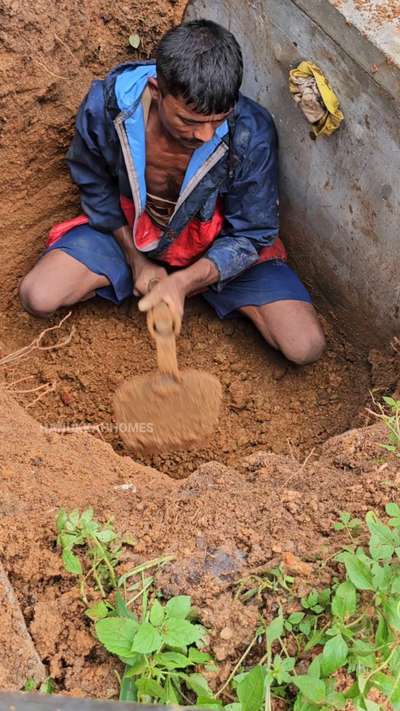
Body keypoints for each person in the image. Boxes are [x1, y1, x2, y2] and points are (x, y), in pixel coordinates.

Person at [20, 19, 325, 365]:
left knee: (305, 345)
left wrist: (183, 283)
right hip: (133, 235)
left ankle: (203, 288)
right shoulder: (110, 108)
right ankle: (137, 271)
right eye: (190, 122)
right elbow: (95, 185)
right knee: (38, 295)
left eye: (218, 120)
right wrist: (139, 264)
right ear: (156, 90)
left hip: (216, 246)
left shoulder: (250, 133)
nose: (205, 135)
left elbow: (252, 233)